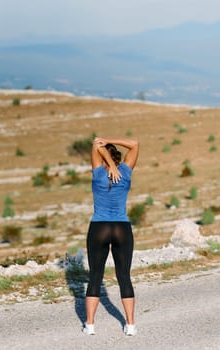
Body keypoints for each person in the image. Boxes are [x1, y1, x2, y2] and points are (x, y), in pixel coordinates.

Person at [82, 136, 139, 336]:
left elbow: (96, 144)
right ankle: (130, 325)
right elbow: (135, 143)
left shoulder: (98, 173)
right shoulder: (125, 171)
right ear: (119, 157)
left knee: (95, 276)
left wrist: (105, 157)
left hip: (99, 227)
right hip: (122, 227)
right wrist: (111, 148)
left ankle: (90, 325)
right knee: (124, 276)